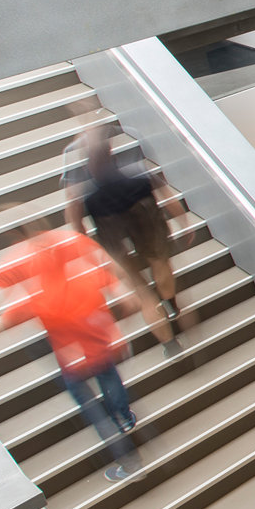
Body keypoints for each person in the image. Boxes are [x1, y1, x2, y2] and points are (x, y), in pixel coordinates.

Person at [0, 211, 143, 480]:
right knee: (110, 376)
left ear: (15, 239)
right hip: (105, 342)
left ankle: (129, 462)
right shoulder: (77, 253)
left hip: (75, 359)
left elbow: (1, 318)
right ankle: (125, 417)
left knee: (92, 408)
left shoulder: (39, 294)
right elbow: (126, 296)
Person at [71, 127, 193, 356]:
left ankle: (170, 345)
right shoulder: (137, 171)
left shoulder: (84, 191)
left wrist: (89, 251)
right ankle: (170, 304)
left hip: (111, 232)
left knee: (140, 289)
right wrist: (183, 223)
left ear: (88, 164)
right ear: (112, 153)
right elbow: (169, 200)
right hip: (145, 216)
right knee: (159, 262)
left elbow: (77, 225)